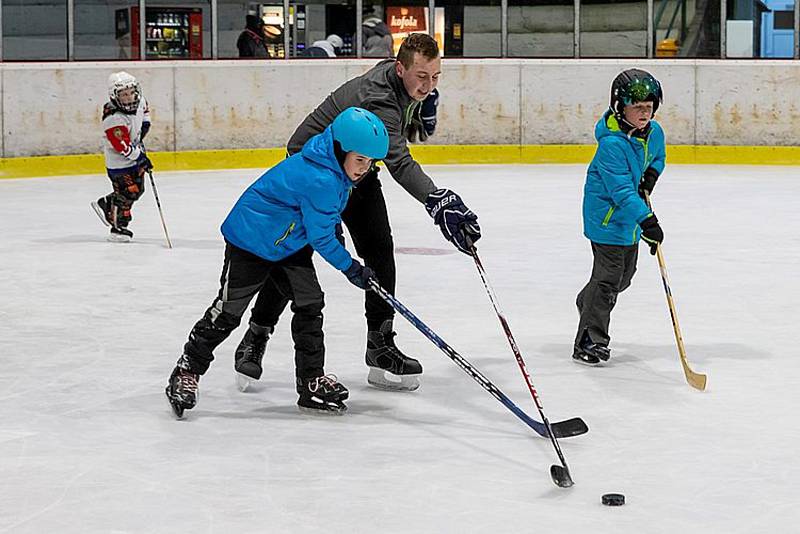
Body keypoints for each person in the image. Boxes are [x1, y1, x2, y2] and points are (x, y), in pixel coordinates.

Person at [234, 33, 480, 393]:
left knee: (379, 249)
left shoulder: (401, 83)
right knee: (294, 257)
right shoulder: (380, 97)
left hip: (355, 166)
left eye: (435, 77)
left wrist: (421, 105)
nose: (428, 85)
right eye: (422, 77)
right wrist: (436, 200)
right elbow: (398, 160)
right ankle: (257, 334)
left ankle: (379, 344)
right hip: (315, 171)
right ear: (400, 69)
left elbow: (397, 133)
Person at [165, 107, 389, 417]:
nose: (364, 169)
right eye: (360, 159)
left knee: (310, 302)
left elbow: (325, 223)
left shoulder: (334, 171)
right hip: (251, 241)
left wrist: (342, 247)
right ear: (339, 149)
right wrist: (351, 268)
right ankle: (187, 369)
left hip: (288, 244)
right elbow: (322, 238)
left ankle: (311, 381)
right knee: (228, 312)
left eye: (370, 162)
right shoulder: (321, 177)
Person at [572, 68, 666, 366]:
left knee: (623, 278)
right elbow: (622, 192)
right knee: (608, 281)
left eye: (649, 108)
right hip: (608, 219)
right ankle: (590, 339)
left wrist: (651, 175)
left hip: (629, 220)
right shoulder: (612, 145)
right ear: (619, 106)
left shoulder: (654, 132)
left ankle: (587, 303)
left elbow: (659, 155)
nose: (644, 113)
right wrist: (648, 221)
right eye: (637, 107)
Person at [91, 71, 153, 243]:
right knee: (127, 193)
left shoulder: (139, 101)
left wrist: (145, 125)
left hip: (134, 155)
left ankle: (107, 203)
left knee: (137, 190)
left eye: (131, 92)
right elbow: (121, 146)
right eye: (124, 95)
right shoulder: (114, 118)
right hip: (119, 163)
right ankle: (118, 227)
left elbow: (145, 110)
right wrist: (140, 157)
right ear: (114, 96)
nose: (129, 97)